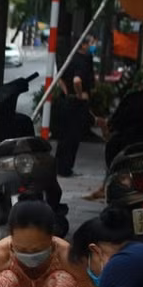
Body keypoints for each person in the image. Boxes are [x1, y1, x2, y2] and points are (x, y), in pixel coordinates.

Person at [53, 36, 97, 179]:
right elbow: (77, 80)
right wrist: (79, 95)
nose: (93, 46)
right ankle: (66, 169)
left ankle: (59, 166)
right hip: (76, 105)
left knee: (64, 137)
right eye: (91, 43)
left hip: (66, 101)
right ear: (83, 45)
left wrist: (66, 91)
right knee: (73, 137)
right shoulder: (83, 61)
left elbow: (59, 77)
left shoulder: (70, 58)